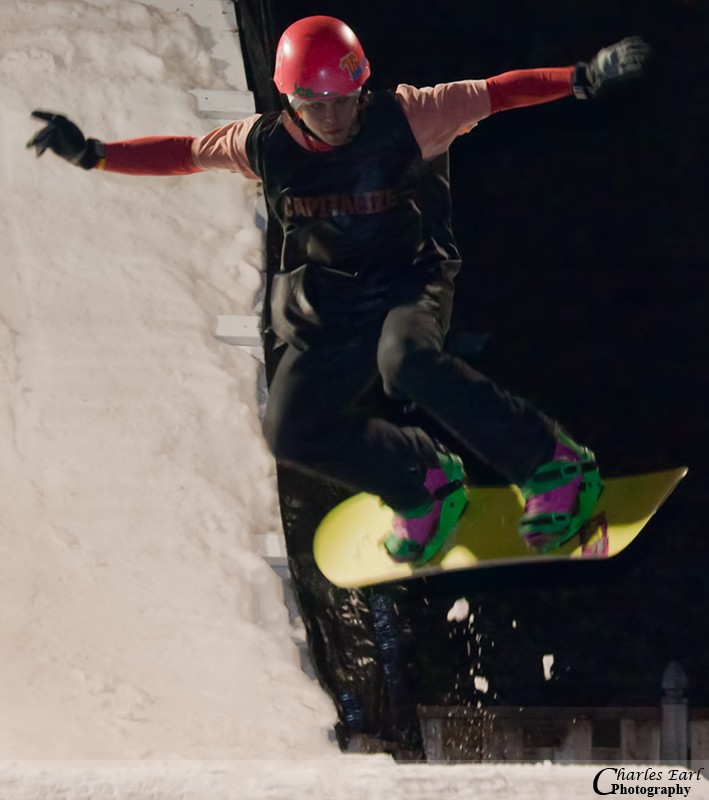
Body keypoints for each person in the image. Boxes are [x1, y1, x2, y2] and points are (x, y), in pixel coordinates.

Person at [27, 16, 649, 564]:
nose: (333, 118)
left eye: (345, 102)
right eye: (315, 105)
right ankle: (421, 483)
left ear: (362, 87)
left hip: (409, 278)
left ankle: (552, 463)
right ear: (289, 99)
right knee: (289, 430)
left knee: (405, 360)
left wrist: (581, 78)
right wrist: (95, 154)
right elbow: (185, 153)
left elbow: (497, 91)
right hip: (330, 300)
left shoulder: (411, 116)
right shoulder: (261, 143)